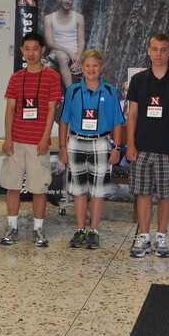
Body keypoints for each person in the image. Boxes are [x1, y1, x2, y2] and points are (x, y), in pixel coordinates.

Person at [126, 34, 169, 258]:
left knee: (166, 195)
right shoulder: (138, 80)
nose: (158, 54)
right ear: (148, 51)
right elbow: (133, 114)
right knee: (143, 193)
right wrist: (130, 144)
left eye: (163, 50)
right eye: (154, 49)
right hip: (142, 147)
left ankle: (161, 237)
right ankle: (144, 237)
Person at [57, 50, 124, 250]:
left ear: (101, 68)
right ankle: (80, 229)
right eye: (87, 65)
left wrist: (117, 147)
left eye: (95, 65)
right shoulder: (74, 91)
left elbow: (118, 122)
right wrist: (62, 147)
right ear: (81, 68)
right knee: (79, 190)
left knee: (97, 191)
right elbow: (63, 121)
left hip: (101, 142)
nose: (91, 69)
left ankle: (93, 230)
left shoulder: (110, 91)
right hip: (76, 141)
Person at [1, 32, 62, 247]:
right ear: (21, 51)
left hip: (38, 143)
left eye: (35, 48)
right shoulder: (16, 78)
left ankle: (38, 229)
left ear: (43, 50)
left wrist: (45, 138)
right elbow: (10, 109)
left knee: (39, 187)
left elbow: (52, 109)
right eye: (27, 49)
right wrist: (8, 138)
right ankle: (12, 227)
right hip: (16, 140)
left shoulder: (52, 77)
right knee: (13, 186)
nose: (31, 53)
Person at [43, 0, 85, 91]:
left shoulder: (79, 17)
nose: (67, 1)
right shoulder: (49, 18)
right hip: (58, 51)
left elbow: (82, 41)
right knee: (62, 57)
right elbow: (50, 43)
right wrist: (69, 53)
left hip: (75, 53)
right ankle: (71, 93)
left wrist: (77, 59)